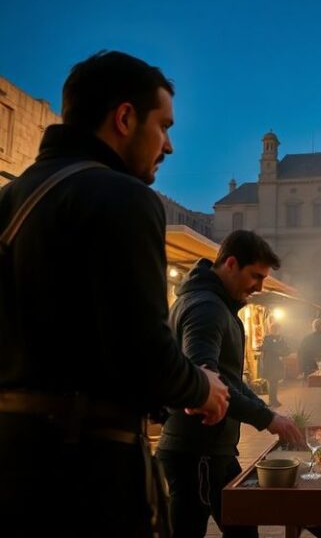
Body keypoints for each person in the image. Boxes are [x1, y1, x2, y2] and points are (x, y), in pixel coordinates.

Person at [0, 51, 229, 537]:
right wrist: (203, 388)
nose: (168, 146)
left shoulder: (11, 198)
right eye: (163, 126)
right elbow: (144, 353)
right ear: (124, 118)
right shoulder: (124, 198)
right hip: (89, 477)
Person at [157, 230, 303, 538]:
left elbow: (229, 380)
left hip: (210, 449)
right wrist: (267, 418)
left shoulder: (213, 304)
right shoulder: (207, 308)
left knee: (242, 528)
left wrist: (268, 414)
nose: (259, 287)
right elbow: (205, 379)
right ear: (231, 264)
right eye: (255, 276)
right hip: (197, 450)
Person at [261, 321, 290, 408]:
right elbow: (267, 349)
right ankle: (272, 400)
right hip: (270, 363)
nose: (277, 331)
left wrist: (282, 353)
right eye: (275, 329)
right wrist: (279, 351)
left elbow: (287, 349)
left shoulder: (281, 338)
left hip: (277, 363)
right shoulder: (267, 338)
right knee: (271, 382)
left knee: (275, 382)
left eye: (277, 329)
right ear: (272, 329)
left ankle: (274, 400)